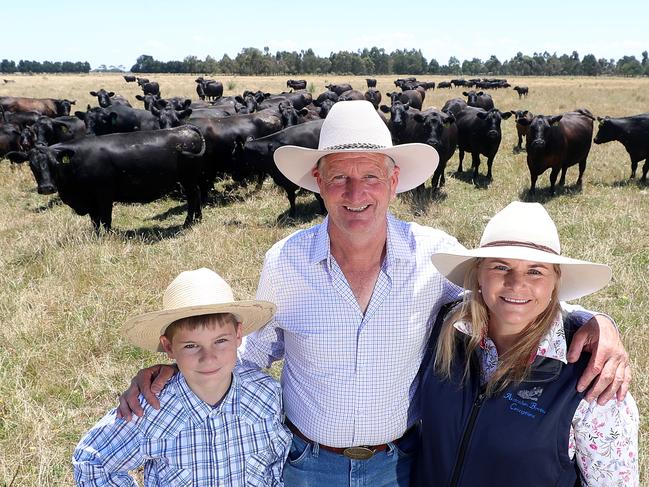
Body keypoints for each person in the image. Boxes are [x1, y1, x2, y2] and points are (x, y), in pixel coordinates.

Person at [117, 101, 630, 486]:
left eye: (370, 176)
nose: (355, 193)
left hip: (402, 463)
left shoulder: (434, 255)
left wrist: (593, 323)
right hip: (305, 463)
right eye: (339, 177)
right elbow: (251, 352)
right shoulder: (286, 261)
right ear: (317, 181)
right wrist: (183, 370)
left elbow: (508, 291)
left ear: (394, 180)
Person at [414, 201, 638, 486]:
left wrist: (599, 321)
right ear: (479, 273)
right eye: (501, 266)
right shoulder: (447, 327)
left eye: (535, 271)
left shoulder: (594, 377)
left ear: (555, 281)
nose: (516, 283)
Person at [73, 268, 291, 486]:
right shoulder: (151, 409)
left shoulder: (266, 395)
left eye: (220, 341)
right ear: (169, 347)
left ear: (238, 335)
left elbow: (276, 462)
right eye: (191, 345)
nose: (208, 358)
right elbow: (92, 461)